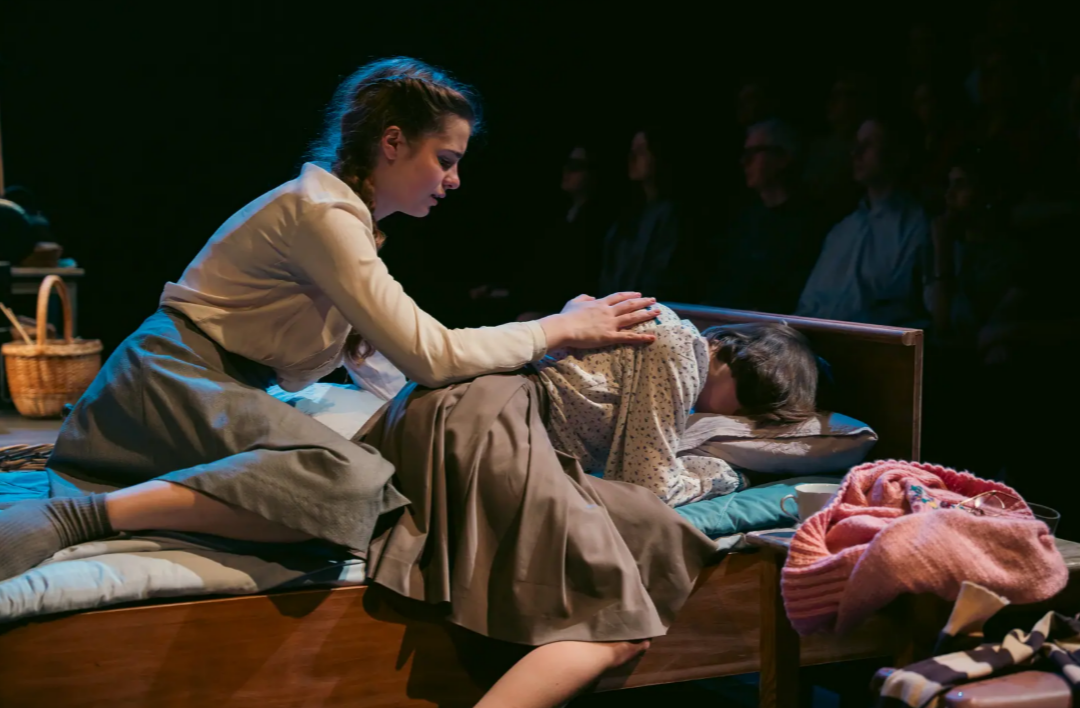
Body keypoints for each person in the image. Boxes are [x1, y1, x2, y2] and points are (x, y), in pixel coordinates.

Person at [0, 54, 663, 680]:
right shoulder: (321, 214)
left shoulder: (347, 220)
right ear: (393, 142)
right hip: (169, 381)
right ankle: (89, 516)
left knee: (368, 485)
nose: (454, 180)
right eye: (445, 159)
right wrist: (557, 328)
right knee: (350, 483)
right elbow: (431, 353)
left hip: (200, 382)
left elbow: (392, 364)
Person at [363, 310, 818, 706]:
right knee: (618, 614)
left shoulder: (658, 331)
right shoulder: (680, 346)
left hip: (442, 412)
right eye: (750, 409)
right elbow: (648, 484)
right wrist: (724, 475)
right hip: (485, 424)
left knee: (634, 536)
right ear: (738, 360)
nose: (736, 421)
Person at [796, 113, 931, 327]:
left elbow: (899, 307)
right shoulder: (842, 230)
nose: (856, 153)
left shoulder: (915, 226)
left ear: (899, 154)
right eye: (856, 144)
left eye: (869, 144)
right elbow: (808, 303)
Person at [704, 119, 826, 314]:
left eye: (755, 152)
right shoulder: (744, 220)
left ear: (783, 158)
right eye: (745, 153)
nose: (745, 161)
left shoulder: (811, 224)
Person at [597, 127, 693, 301]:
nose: (632, 158)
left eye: (641, 151)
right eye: (632, 151)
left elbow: (661, 277)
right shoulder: (629, 214)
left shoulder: (672, 214)